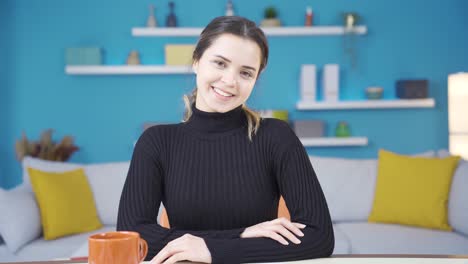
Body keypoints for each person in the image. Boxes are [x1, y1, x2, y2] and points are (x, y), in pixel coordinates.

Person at [117, 16, 334, 264]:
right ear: (197, 61)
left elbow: (319, 237)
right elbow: (132, 236)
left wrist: (210, 249)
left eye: (245, 72)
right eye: (220, 63)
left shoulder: (276, 137)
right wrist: (240, 235)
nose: (230, 81)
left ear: (255, 79)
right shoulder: (157, 142)